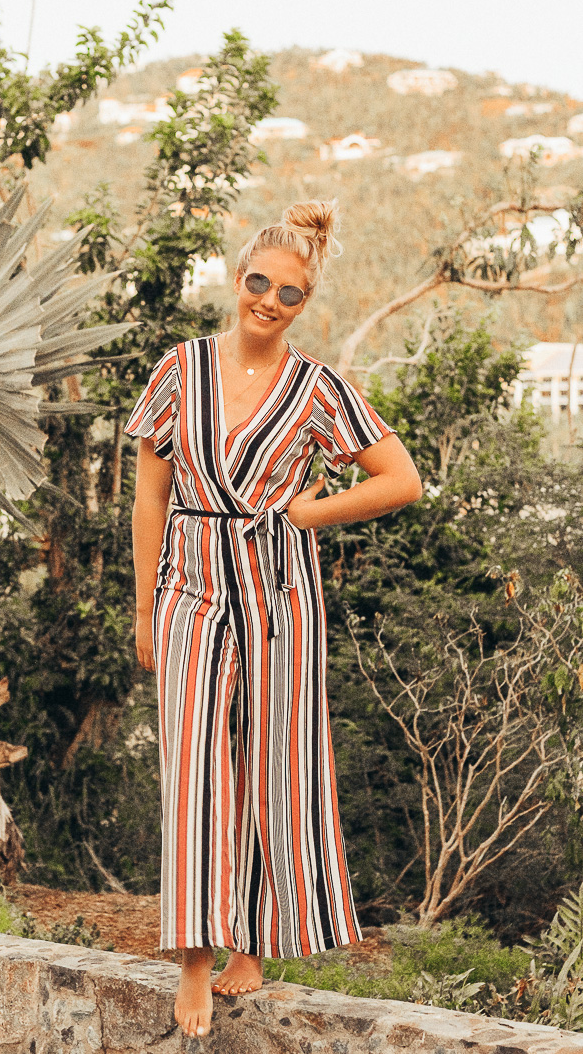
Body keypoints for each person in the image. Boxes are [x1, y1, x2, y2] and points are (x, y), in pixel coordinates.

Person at [124, 199, 423, 1039]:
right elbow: (149, 497)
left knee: (270, 763)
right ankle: (194, 959)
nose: (267, 301)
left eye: (288, 294)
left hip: (280, 593)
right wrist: (145, 607)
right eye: (258, 282)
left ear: (303, 302)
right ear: (236, 276)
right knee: (193, 770)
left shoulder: (318, 388)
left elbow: (400, 478)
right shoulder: (178, 370)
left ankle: (251, 944)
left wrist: (306, 515)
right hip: (189, 586)